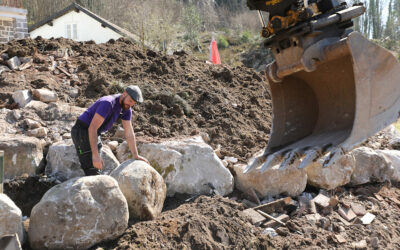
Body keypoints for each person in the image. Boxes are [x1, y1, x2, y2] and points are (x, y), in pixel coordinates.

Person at [71, 85, 148, 176]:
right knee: (92, 168)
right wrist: (95, 156)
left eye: (133, 103)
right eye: (130, 101)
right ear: (124, 94)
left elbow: (129, 132)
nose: (130, 105)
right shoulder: (108, 103)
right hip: (82, 130)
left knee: (97, 166)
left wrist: (135, 155)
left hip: (96, 132)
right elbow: (92, 128)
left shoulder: (126, 108)